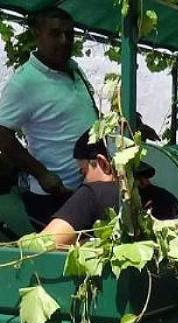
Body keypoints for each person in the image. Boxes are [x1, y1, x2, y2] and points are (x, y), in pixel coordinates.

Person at [0, 7, 98, 226]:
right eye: (54, 33)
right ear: (37, 34)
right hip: (55, 196)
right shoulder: (25, 82)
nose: (64, 40)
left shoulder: (74, 69)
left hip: (85, 189)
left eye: (69, 34)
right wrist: (42, 174)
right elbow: (2, 133)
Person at [40, 131, 118, 247]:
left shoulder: (92, 194)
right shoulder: (150, 192)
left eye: (83, 172)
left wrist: (82, 245)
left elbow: (43, 247)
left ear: (103, 163)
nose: (83, 181)